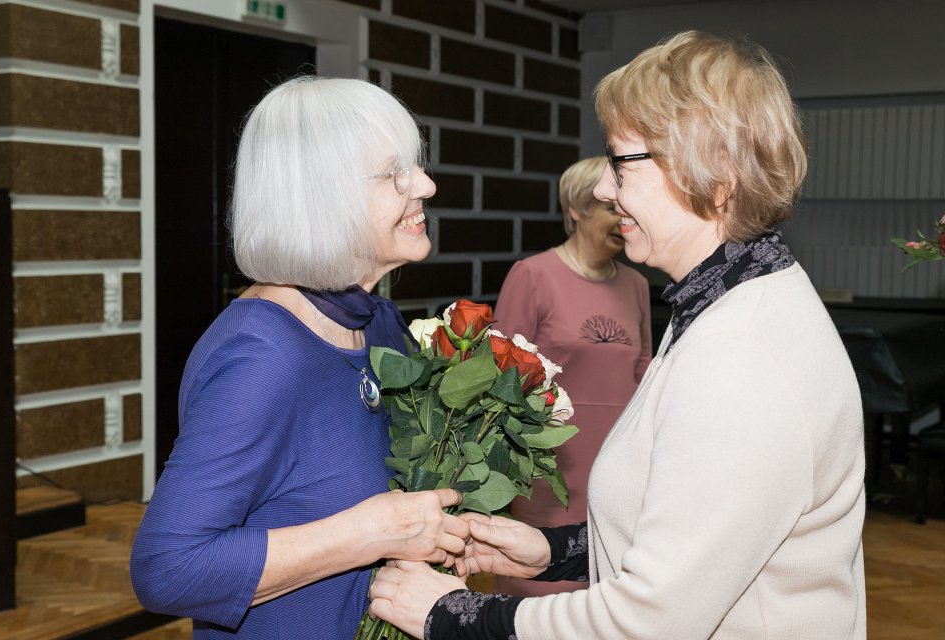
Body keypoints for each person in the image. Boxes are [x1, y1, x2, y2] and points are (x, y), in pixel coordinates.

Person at [367, 30, 866, 639]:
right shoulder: (725, 302)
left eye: (621, 163)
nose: (603, 189)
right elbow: (696, 534)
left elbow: (648, 623)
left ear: (715, 174)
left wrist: (451, 615)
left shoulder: (741, 357)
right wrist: (556, 552)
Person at [129, 76, 469, 640]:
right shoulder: (263, 355)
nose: (426, 186)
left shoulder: (379, 322)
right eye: (396, 173)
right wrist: (371, 531)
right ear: (322, 195)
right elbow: (168, 570)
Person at [492, 155, 651, 597]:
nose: (623, 218)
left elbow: (643, 376)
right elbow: (501, 379)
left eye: (628, 208)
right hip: (551, 471)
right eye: (610, 208)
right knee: (540, 597)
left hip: (618, 471)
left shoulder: (637, 285)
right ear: (576, 210)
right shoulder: (532, 276)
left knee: (609, 600)